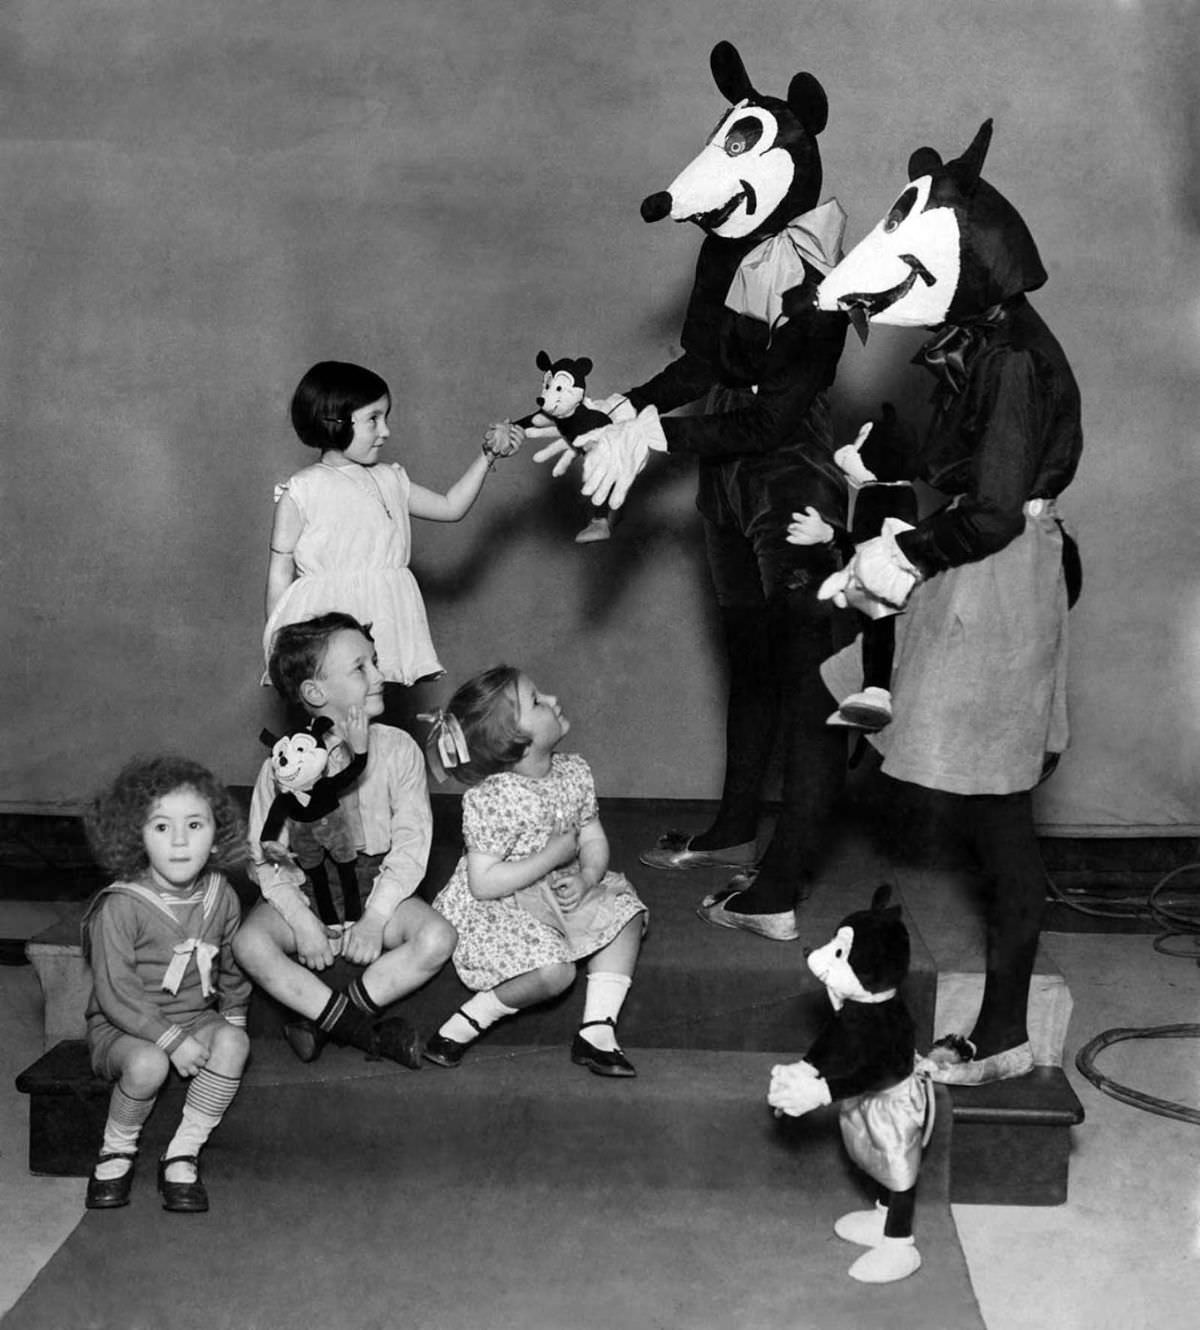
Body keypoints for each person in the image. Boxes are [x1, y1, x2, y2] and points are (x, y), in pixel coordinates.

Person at [526, 43, 851, 942]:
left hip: (792, 483)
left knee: (810, 681)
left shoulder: (818, 274)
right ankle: (737, 825)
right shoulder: (725, 250)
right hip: (727, 479)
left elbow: (778, 418)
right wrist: (622, 407)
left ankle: (781, 886)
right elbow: (706, 365)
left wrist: (654, 434)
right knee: (749, 660)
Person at [236, 612, 455, 1068]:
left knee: (437, 938)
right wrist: (299, 921)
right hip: (307, 890)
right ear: (315, 693)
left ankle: (324, 1021)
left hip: (376, 888)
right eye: (361, 668)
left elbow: (413, 843)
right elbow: (265, 859)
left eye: (375, 662)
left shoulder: (398, 750)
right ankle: (364, 1034)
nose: (380, 676)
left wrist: (375, 918)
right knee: (248, 945)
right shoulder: (283, 765)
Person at [421, 666, 647, 1077]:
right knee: (554, 973)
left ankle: (597, 1030)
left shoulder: (574, 771)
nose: (554, 700)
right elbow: (483, 882)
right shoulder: (492, 797)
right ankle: (465, 1023)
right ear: (515, 742)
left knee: (627, 914)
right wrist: (551, 855)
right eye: (538, 701)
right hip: (505, 902)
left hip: (559, 887)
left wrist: (587, 876)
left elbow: (592, 836)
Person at [263, 360, 521, 710]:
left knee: (372, 708)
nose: (385, 431)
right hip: (328, 623)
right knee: (338, 711)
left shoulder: (391, 479)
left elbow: (450, 507)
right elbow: (281, 570)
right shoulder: (303, 490)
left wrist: (487, 457)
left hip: (382, 611)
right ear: (334, 422)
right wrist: (277, 644)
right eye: (374, 419)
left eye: (385, 418)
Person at [80, 755, 251, 1214]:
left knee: (234, 1042)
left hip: (195, 1016)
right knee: (149, 1063)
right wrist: (172, 1040)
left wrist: (232, 1016)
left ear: (217, 834)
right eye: (161, 828)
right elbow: (116, 993)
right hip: (124, 1027)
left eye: (195, 825)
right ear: (136, 835)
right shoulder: (121, 905)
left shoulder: (221, 896)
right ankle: (116, 1148)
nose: (179, 841)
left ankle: (182, 1152)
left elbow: (233, 964)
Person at [787, 420, 919, 732]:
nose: (848, 454)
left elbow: (874, 547)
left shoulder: (889, 496)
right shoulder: (876, 493)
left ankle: (877, 691)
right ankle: (867, 696)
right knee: (869, 638)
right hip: (867, 581)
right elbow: (862, 547)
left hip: (885, 586)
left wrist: (829, 536)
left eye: (861, 448)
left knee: (881, 631)